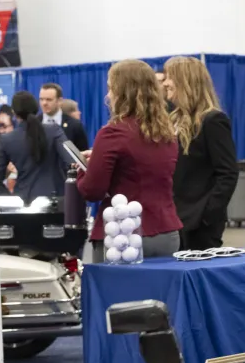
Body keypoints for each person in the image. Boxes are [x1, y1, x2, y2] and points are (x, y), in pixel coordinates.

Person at [77, 60, 184, 260]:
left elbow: (92, 190)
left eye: (110, 88)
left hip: (122, 236)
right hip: (166, 233)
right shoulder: (168, 133)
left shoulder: (112, 134)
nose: (107, 95)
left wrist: (84, 169)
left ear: (123, 92)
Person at [163, 56, 238, 249]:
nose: (166, 83)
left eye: (170, 77)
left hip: (199, 223)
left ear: (185, 81)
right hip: (175, 220)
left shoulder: (213, 120)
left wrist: (207, 216)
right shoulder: (172, 120)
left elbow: (228, 173)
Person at [0, 91, 75, 205]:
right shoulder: (54, 131)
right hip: (56, 201)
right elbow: (72, 163)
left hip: (24, 202)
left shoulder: (7, 139)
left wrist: (11, 199)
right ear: (36, 107)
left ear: (14, 112)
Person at [39, 83, 89, 151]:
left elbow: (83, 154)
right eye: (41, 99)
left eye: (49, 99)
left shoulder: (75, 125)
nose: (44, 103)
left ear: (59, 101)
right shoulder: (33, 124)